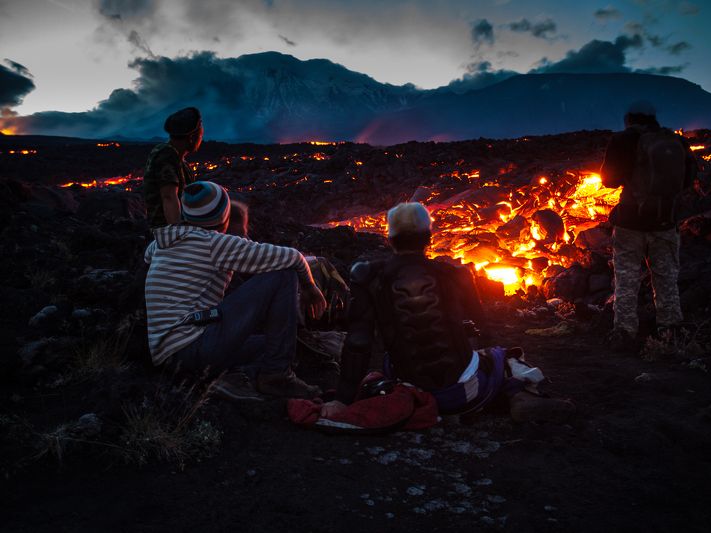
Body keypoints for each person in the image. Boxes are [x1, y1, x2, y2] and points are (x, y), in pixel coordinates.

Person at [320, 202, 573, 422]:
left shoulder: (368, 276)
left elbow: (358, 343)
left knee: (387, 361)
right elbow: (485, 332)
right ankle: (519, 395)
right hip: (465, 392)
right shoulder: (456, 274)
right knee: (502, 357)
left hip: (410, 390)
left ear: (390, 238)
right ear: (429, 237)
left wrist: (342, 399)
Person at [143, 181, 327, 401]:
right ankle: (277, 375)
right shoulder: (214, 243)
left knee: (268, 346)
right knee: (284, 274)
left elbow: (147, 256)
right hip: (194, 348)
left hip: (167, 356)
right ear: (224, 219)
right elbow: (293, 258)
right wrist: (310, 287)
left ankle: (232, 378)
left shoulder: (162, 243)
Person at [600, 101, 698, 342]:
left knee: (626, 278)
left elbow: (609, 180)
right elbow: (688, 179)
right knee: (666, 278)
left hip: (630, 221)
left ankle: (625, 333)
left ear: (629, 119)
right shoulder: (676, 141)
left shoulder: (623, 140)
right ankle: (670, 332)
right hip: (665, 220)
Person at [142, 107, 203, 229]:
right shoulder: (166, 155)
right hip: (163, 234)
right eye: (200, 135)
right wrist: (178, 238)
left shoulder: (178, 159)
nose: (201, 139)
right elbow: (169, 196)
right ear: (191, 138)